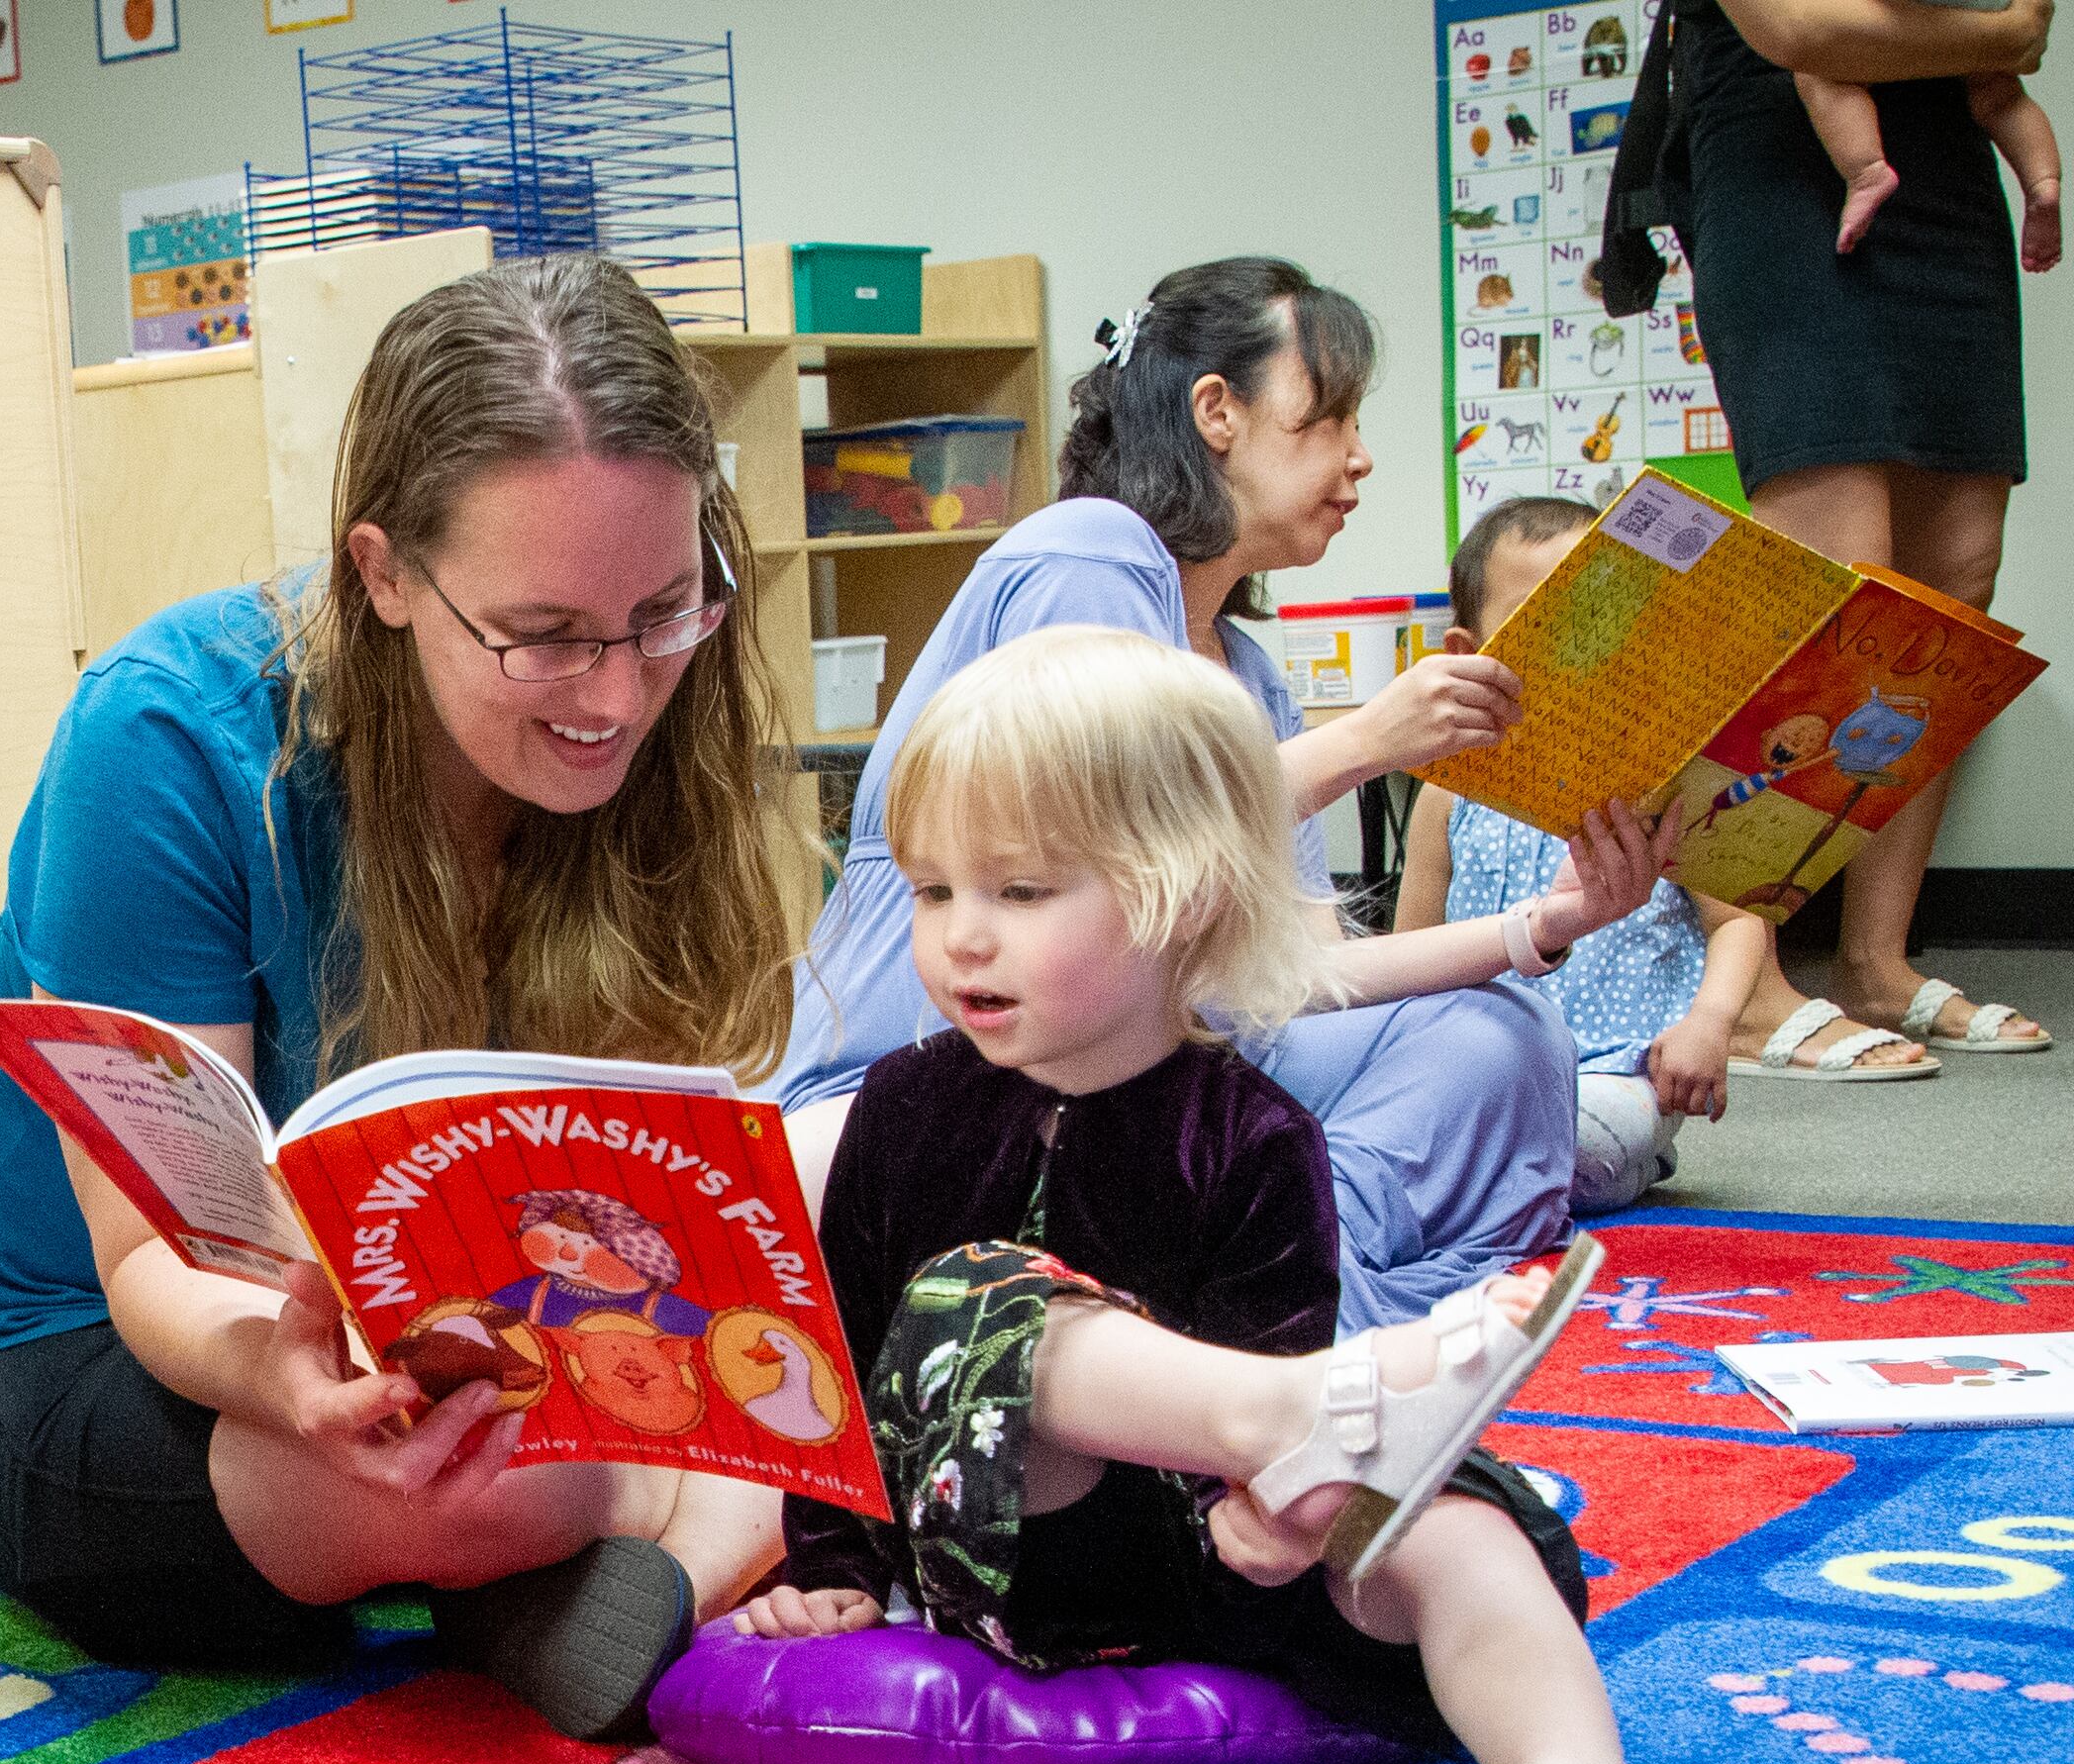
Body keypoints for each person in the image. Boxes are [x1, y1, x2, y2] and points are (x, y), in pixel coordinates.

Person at [741, 628, 1764, 1764]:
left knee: (1450, 1521)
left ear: (1185, 900)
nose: (959, 933)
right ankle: (1294, 1423)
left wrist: (1283, 1525)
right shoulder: (909, 1109)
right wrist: (835, 1560)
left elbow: (1277, 1347)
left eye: (1022, 888)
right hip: (1003, 1533)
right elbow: (844, 1362)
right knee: (975, 1297)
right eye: (934, 889)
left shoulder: (1257, 1132)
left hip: (1209, 1544)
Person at [0, 255, 802, 1740]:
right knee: (497, 1479)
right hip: (103, 1353)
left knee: (886, 1304)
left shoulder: (653, 720)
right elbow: (153, 1269)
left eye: (662, 611)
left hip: (462, 1347)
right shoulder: (170, 732)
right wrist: (293, 1377)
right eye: (544, 633)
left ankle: (601, 1545)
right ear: (382, 573)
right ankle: (673, 1548)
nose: (618, 694)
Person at [778, 256, 1655, 1332]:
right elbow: (1091, 850)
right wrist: (1370, 742)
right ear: (1217, 413)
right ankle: (1294, 1298)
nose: (1360, 457)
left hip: (1147, 1054)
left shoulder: (1252, 670)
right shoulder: (1088, 553)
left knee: (1508, 1031)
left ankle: (1312, 1268)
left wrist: (1539, 927)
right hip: (963, 1061)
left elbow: (1295, 977)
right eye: (1329, 420)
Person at [1676, 0, 2056, 1056]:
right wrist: (1992, 38)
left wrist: (1992, 47)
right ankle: (1746, 978)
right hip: (1785, 169)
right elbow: (1803, 29)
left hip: (1945, 179)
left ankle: (1875, 963)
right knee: (1832, 593)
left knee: (1948, 591)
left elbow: (2022, 29)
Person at [1398, 500, 1833, 1214]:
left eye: (1598, 614)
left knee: (1577, 1149)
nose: (1575, 642)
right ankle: (1482, 1180)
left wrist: (1709, 1023)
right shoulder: (1448, 790)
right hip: (1479, 1069)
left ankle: (1518, 1180)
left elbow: (1736, 919)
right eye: (1541, 620)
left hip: (1621, 1071)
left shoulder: (1667, 778)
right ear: (1469, 652)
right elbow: (1412, 946)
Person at [1795, 31, 2057, 263]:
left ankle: (1868, 172)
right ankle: (2041, 182)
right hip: (1972, 15)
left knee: (1819, 68)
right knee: (2000, 94)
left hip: (1885, 19)